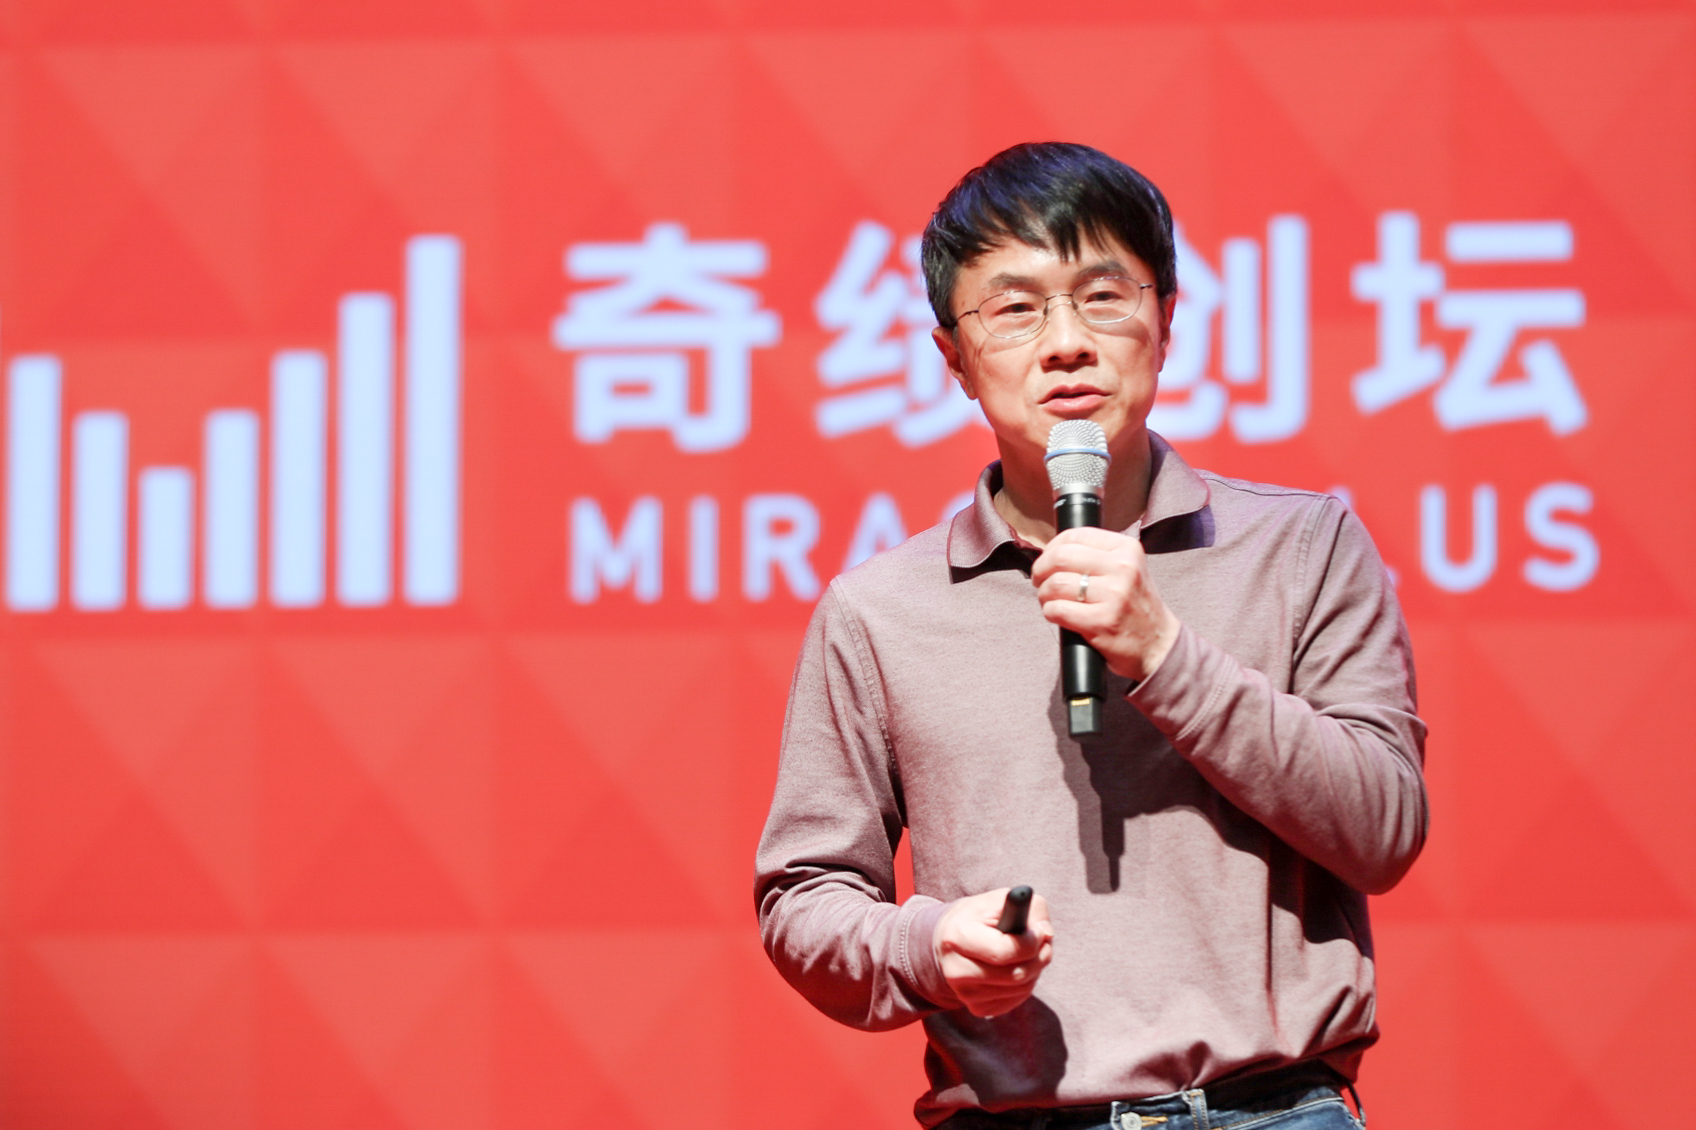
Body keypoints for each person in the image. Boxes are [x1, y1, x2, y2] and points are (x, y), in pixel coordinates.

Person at [755, 142, 1427, 1130]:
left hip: (1271, 1110)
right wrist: (927, 945)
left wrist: (1164, 653)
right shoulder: (879, 610)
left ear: (1166, 324)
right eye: (1015, 309)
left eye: (1103, 297)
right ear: (954, 358)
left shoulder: (1302, 546)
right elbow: (804, 898)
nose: (1066, 342)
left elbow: (1383, 827)